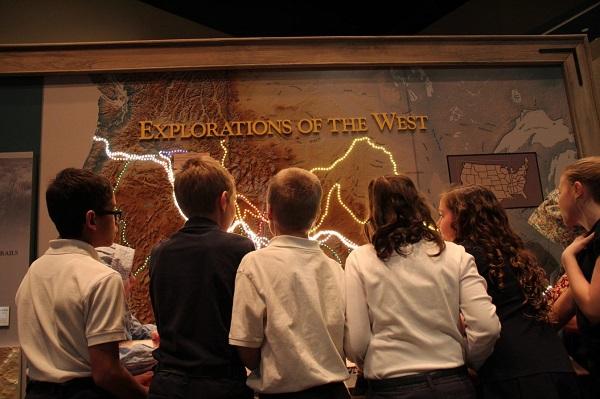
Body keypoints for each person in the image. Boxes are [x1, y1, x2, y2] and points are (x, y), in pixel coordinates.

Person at [344, 175, 500, 399]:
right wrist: (466, 357)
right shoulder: (455, 254)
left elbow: (358, 341)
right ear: (417, 204)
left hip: (391, 386)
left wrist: (367, 361)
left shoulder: (360, 260)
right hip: (452, 382)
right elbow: (487, 326)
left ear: (374, 211)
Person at [15, 168, 148, 399]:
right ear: (92, 219)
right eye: (114, 213)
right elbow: (106, 373)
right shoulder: (103, 278)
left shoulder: (34, 271)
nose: (117, 224)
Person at [439, 184, 580, 398]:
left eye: (441, 215)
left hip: (511, 371)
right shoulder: (514, 253)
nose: (438, 224)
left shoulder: (464, 257)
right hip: (555, 362)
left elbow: (479, 325)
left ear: (460, 219)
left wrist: (472, 358)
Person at [229, 167, 350, 398]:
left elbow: (246, 346)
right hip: (335, 392)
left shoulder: (254, 265)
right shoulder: (335, 269)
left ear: (269, 212)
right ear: (315, 217)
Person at [148, 156, 254, 399]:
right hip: (221, 386)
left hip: (167, 386)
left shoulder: (159, 253)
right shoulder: (239, 249)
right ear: (224, 201)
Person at [552, 156, 600, 396]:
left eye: (560, 192)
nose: (558, 201)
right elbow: (557, 314)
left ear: (577, 190)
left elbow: (593, 306)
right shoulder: (586, 243)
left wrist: (568, 259)